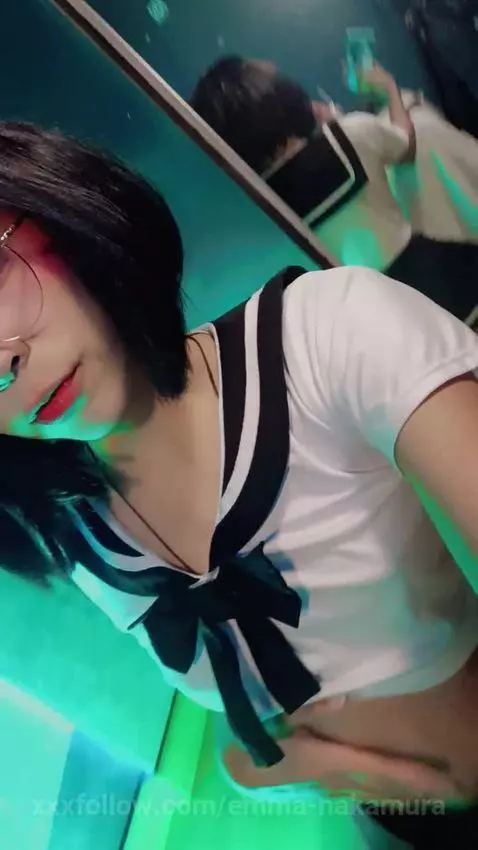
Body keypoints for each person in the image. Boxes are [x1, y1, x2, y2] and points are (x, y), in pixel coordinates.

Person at [1, 122, 478, 848]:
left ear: (59, 208)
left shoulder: (332, 340)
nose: (3, 366)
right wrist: (354, 777)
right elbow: (247, 731)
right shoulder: (85, 542)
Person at [191, 56, 477, 322]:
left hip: (379, 319)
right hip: (442, 281)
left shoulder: (264, 212)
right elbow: (406, 144)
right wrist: (389, 88)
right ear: (280, 96)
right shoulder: (349, 134)